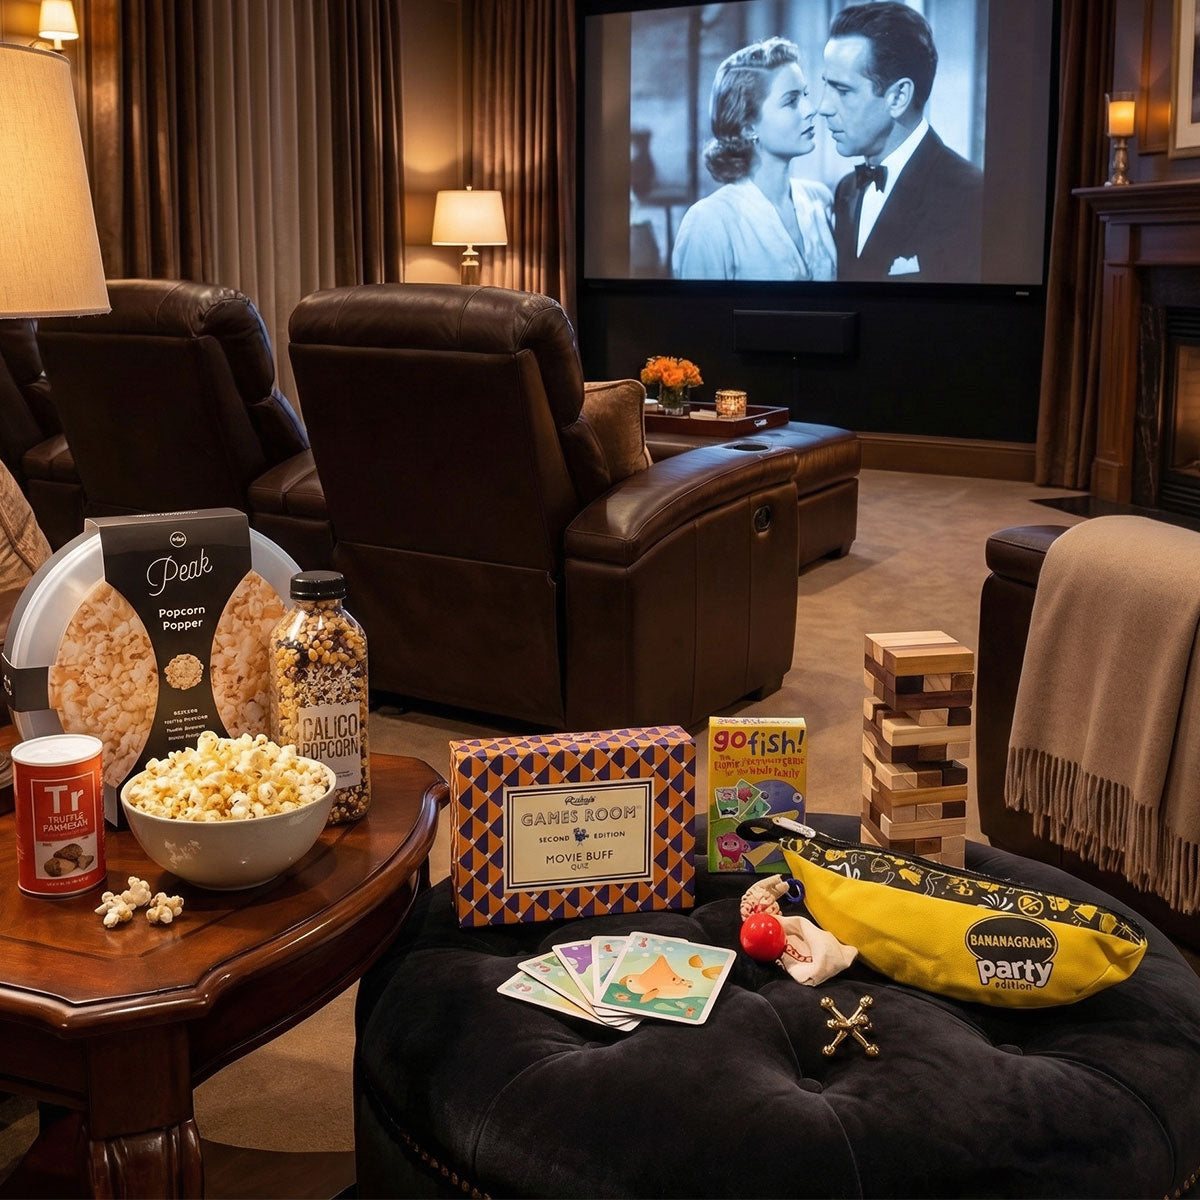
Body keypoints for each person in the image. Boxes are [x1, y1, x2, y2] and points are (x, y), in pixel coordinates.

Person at [818, 1, 983, 282]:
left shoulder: (970, 196)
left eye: (842, 91)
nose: (823, 107)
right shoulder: (846, 190)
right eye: (826, 85)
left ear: (898, 97)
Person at [672, 37, 835, 281]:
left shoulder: (820, 200)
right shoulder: (708, 222)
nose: (810, 109)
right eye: (791, 101)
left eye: (805, 94)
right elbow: (698, 317)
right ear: (748, 127)